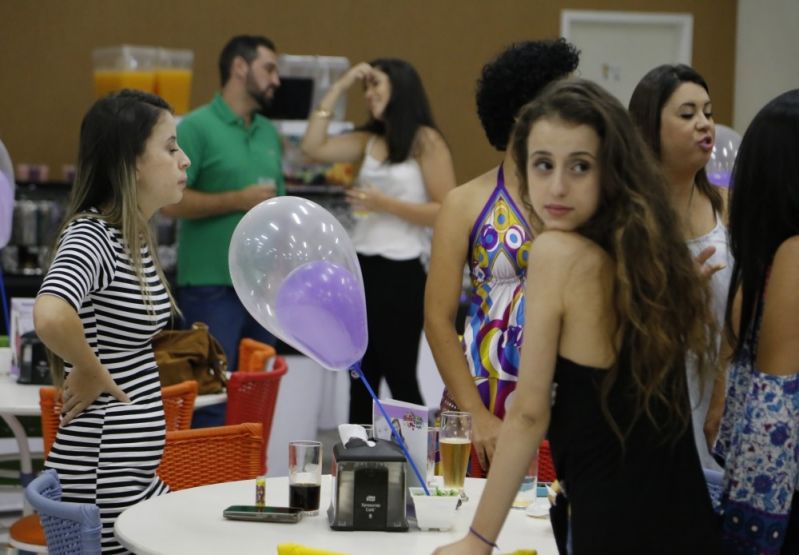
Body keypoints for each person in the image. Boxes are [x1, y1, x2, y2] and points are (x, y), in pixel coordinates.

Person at [434, 79, 721, 555]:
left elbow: (528, 414)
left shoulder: (557, 252)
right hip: (680, 513)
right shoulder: (647, 247)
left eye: (580, 166)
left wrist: (478, 541)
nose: (558, 187)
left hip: (618, 518)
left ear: (610, 170)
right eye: (543, 165)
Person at [33, 90, 190, 553]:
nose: (184, 160)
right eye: (170, 146)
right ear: (132, 161)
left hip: (131, 475)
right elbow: (49, 313)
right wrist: (88, 368)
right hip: (104, 482)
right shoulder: (93, 235)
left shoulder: (131, 235)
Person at [424, 39, 579, 477]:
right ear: (520, 111)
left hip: (567, 395)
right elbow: (437, 320)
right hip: (481, 395)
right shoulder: (464, 203)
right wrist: (475, 415)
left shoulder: (588, 200)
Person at [301, 58, 457, 424]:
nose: (369, 95)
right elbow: (312, 147)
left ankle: (421, 458)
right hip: (360, 268)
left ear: (399, 92)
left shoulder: (425, 141)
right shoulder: (368, 139)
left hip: (403, 270)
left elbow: (447, 209)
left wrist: (384, 203)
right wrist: (341, 85)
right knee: (360, 375)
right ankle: (357, 460)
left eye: (377, 87)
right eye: (366, 89)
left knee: (400, 372)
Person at [162, 35, 283, 427]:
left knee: (258, 397)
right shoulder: (195, 127)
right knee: (210, 398)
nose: (276, 80)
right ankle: (207, 485)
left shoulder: (268, 132)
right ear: (240, 68)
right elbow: (170, 202)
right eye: (270, 68)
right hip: (212, 288)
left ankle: (248, 485)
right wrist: (237, 199)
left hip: (264, 291)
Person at [628, 64, 732, 472]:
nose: (705, 124)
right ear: (650, 128)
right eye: (687, 114)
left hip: (719, 395)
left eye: (708, 112)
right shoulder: (631, 220)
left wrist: (723, 389)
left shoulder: (727, 206)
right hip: (652, 398)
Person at [711, 89, 799, 554]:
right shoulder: (775, 253)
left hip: (779, 494)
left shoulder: (794, 254)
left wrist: (747, 531)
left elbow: (774, 405)